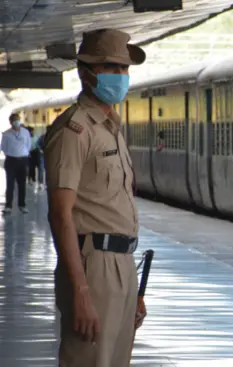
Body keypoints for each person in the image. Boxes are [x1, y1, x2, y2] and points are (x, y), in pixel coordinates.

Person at [43, 28, 148, 367]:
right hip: (94, 268)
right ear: (85, 72)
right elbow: (61, 215)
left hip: (121, 265)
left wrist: (132, 286)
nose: (120, 76)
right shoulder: (75, 130)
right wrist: (81, 292)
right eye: (111, 68)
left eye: (124, 69)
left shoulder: (110, 128)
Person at [1, 113, 31, 214]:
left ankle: (22, 205)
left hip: (23, 160)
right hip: (11, 161)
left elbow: (28, 144)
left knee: (22, 184)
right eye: (14, 120)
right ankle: (8, 206)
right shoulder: (6, 134)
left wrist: (22, 154)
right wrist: (12, 154)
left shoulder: (25, 132)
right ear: (10, 122)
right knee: (10, 184)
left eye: (17, 120)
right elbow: (3, 147)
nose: (16, 122)